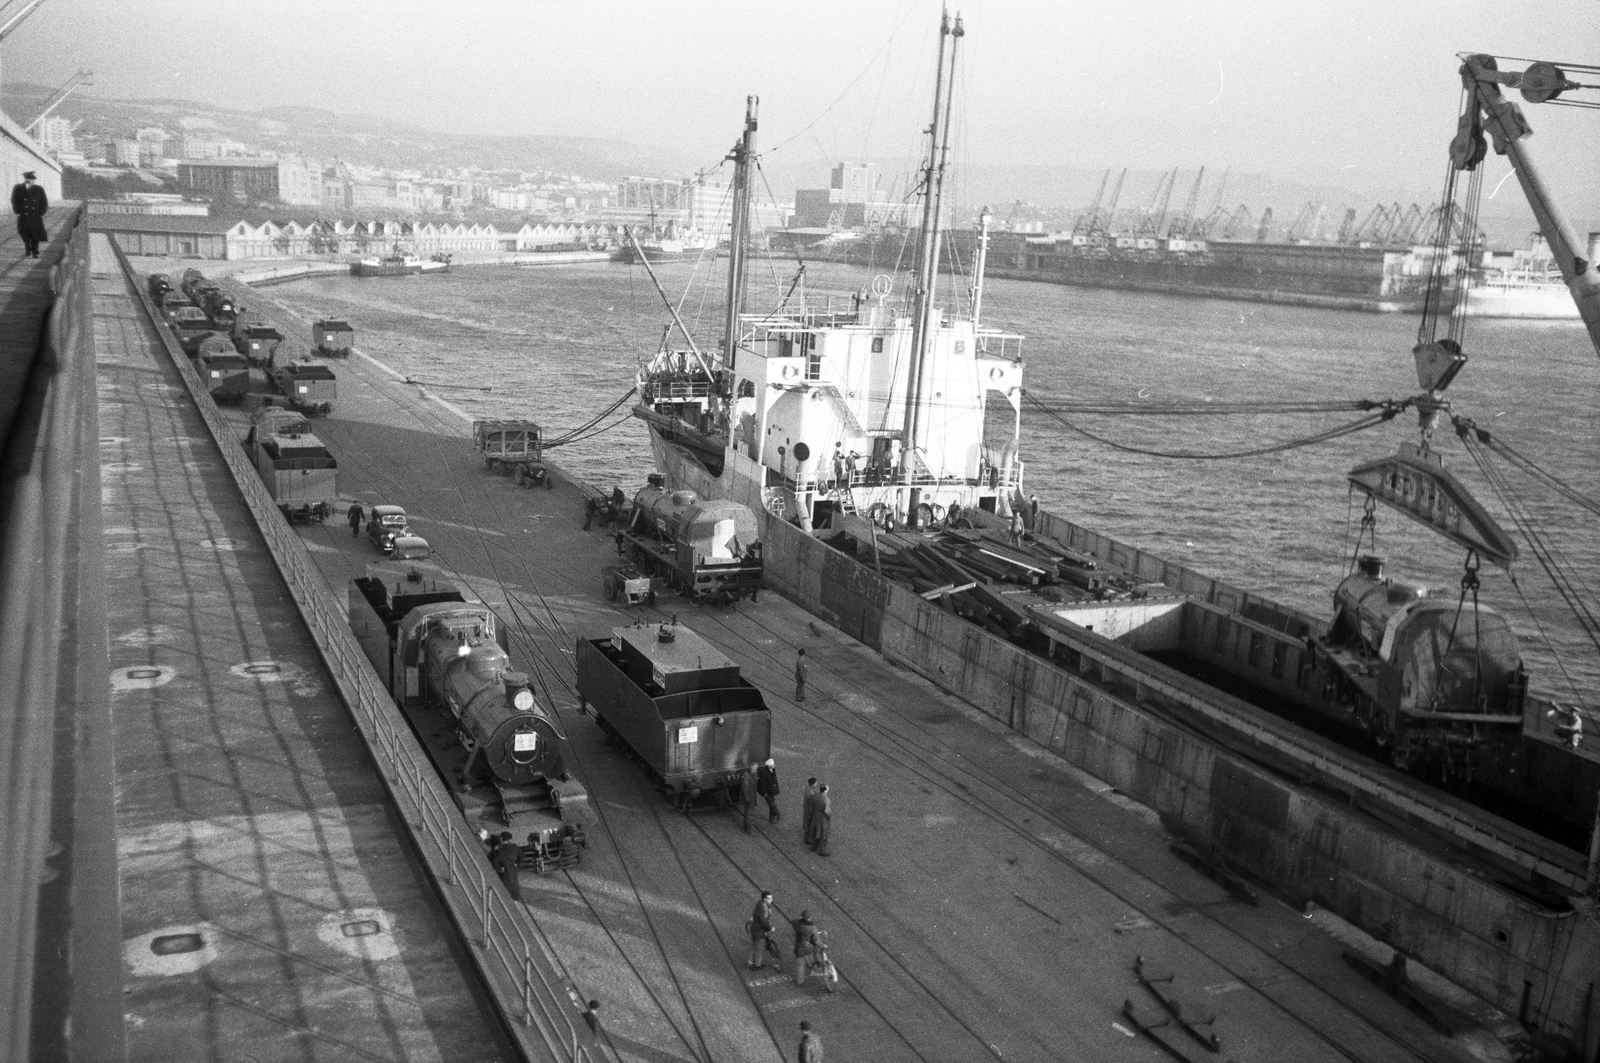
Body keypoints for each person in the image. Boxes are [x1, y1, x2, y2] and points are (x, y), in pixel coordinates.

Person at [11, 171, 48, 259]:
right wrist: (17, 211)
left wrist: (41, 212)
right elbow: (14, 199)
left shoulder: (39, 189)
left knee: (36, 234)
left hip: (35, 216)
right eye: (29, 179)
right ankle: (28, 248)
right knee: (24, 233)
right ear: (26, 179)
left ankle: (34, 251)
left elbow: (44, 201)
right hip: (24, 215)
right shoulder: (18, 188)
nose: (31, 181)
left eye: (32, 179)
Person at [747, 890, 776, 969]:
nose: (771, 900)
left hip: (755, 928)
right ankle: (757, 965)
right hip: (759, 931)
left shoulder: (760, 903)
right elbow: (763, 920)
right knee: (759, 948)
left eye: (771, 898)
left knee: (755, 946)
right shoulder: (763, 908)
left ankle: (750, 962)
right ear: (764, 899)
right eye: (769, 898)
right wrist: (770, 928)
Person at [791, 910, 820, 986]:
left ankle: (800, 982)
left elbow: (793, 921)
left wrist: (800, 919)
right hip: (809, 947)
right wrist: (823, 945)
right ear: (810, 918)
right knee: (816, 949)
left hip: (799, 948)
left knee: (800, 965)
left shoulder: (797, 925)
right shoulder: (813, 928)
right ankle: (815, 962)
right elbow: (816, 940)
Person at [493, 831, 523, 901]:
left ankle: (508, 898)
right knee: (515, 882)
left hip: (505, 868)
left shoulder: (500, 850)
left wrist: (499, 868)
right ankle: (516, 896)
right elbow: (522, 855)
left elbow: (495, 860)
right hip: (513, 867)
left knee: (506, 883)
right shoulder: (514, 847)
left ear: (501, 839)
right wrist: (518, 864)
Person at [756, 758, 781, 823]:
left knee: (771, 803)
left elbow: (775, 780)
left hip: (772, 790)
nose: (774, 765)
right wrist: (764, 792)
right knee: (771, 804)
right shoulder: (764, 772)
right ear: (770, 765)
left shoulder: (773, 770)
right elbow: (762, 784)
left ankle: (771, 819)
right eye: (773, 764)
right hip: (768, 791)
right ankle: (777, 813)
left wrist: (777, 788)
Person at [735, 766, 758, 833]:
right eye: (753, 768)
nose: (754, 770)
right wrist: (747, 798)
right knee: (750, 814)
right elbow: (744, 788)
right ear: (750, 768)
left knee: (747, 813)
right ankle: (749, 829)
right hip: (749, 797)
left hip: (751, 796)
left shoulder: (754, 775)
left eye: (755, 769)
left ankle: (745, 827)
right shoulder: (747, 775)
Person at [812, 784, 832, 856]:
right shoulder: (826, 800)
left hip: (816, 815)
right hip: (822, 817)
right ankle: (822, 851)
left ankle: (814, 846)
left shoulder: (816, 795)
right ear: (826, 790)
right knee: (823, 834)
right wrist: (829, 816)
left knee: (816, 831)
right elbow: (827, 811)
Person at [801, 777, 818, 843]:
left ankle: (807, 838)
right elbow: (811, 804)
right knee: (809, 823)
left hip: (807, 809)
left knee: (807, 823)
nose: (816, 783)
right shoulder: (811, 793)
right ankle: (808, 839)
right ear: (813, 784)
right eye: (815, 782)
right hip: (809, 810)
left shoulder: (808, 790)